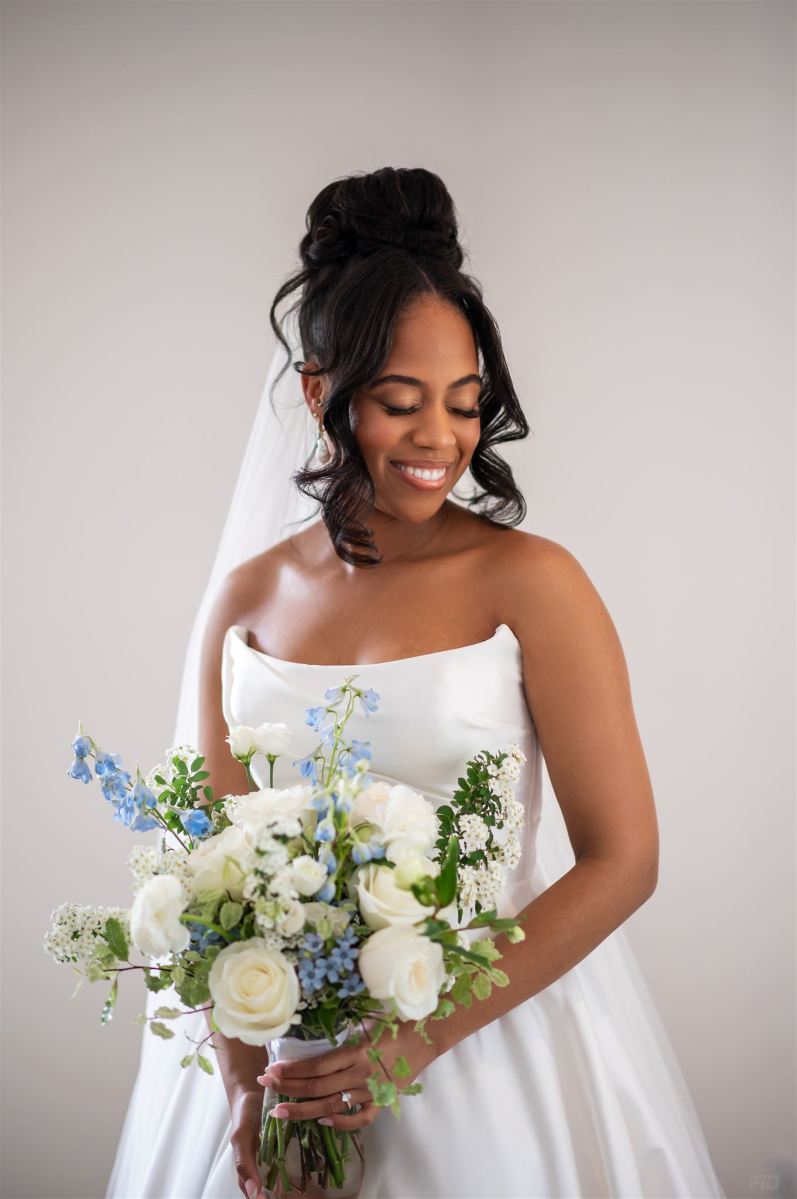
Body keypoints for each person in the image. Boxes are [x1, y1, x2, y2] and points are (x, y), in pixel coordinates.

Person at [106, 166, 726, 1199]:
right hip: (282, 1058)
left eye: (464, 401)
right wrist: (244, 1083)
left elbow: (624, 857)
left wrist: (416, 1041)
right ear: (319, 393)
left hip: (488, 1049)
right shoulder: (244, 598)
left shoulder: (531, 582)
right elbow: (207, 864)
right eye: (399, 403)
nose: (440, 438)